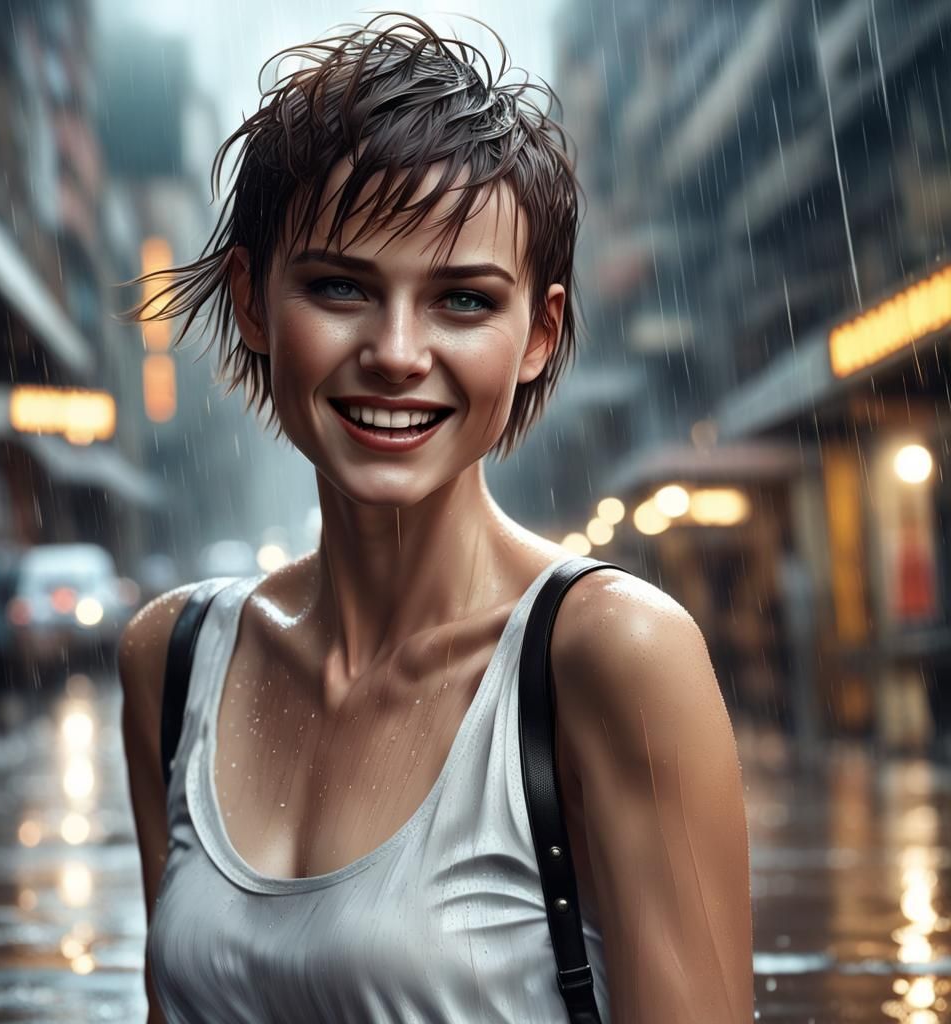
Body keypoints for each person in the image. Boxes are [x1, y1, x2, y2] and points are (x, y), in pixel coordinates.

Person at [118, 13, 754, 1023]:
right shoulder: (174, 661)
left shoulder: (614, 656)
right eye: (340, 287)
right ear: (251, 303)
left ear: (539, 332)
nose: (398, 354)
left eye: (462, 301)